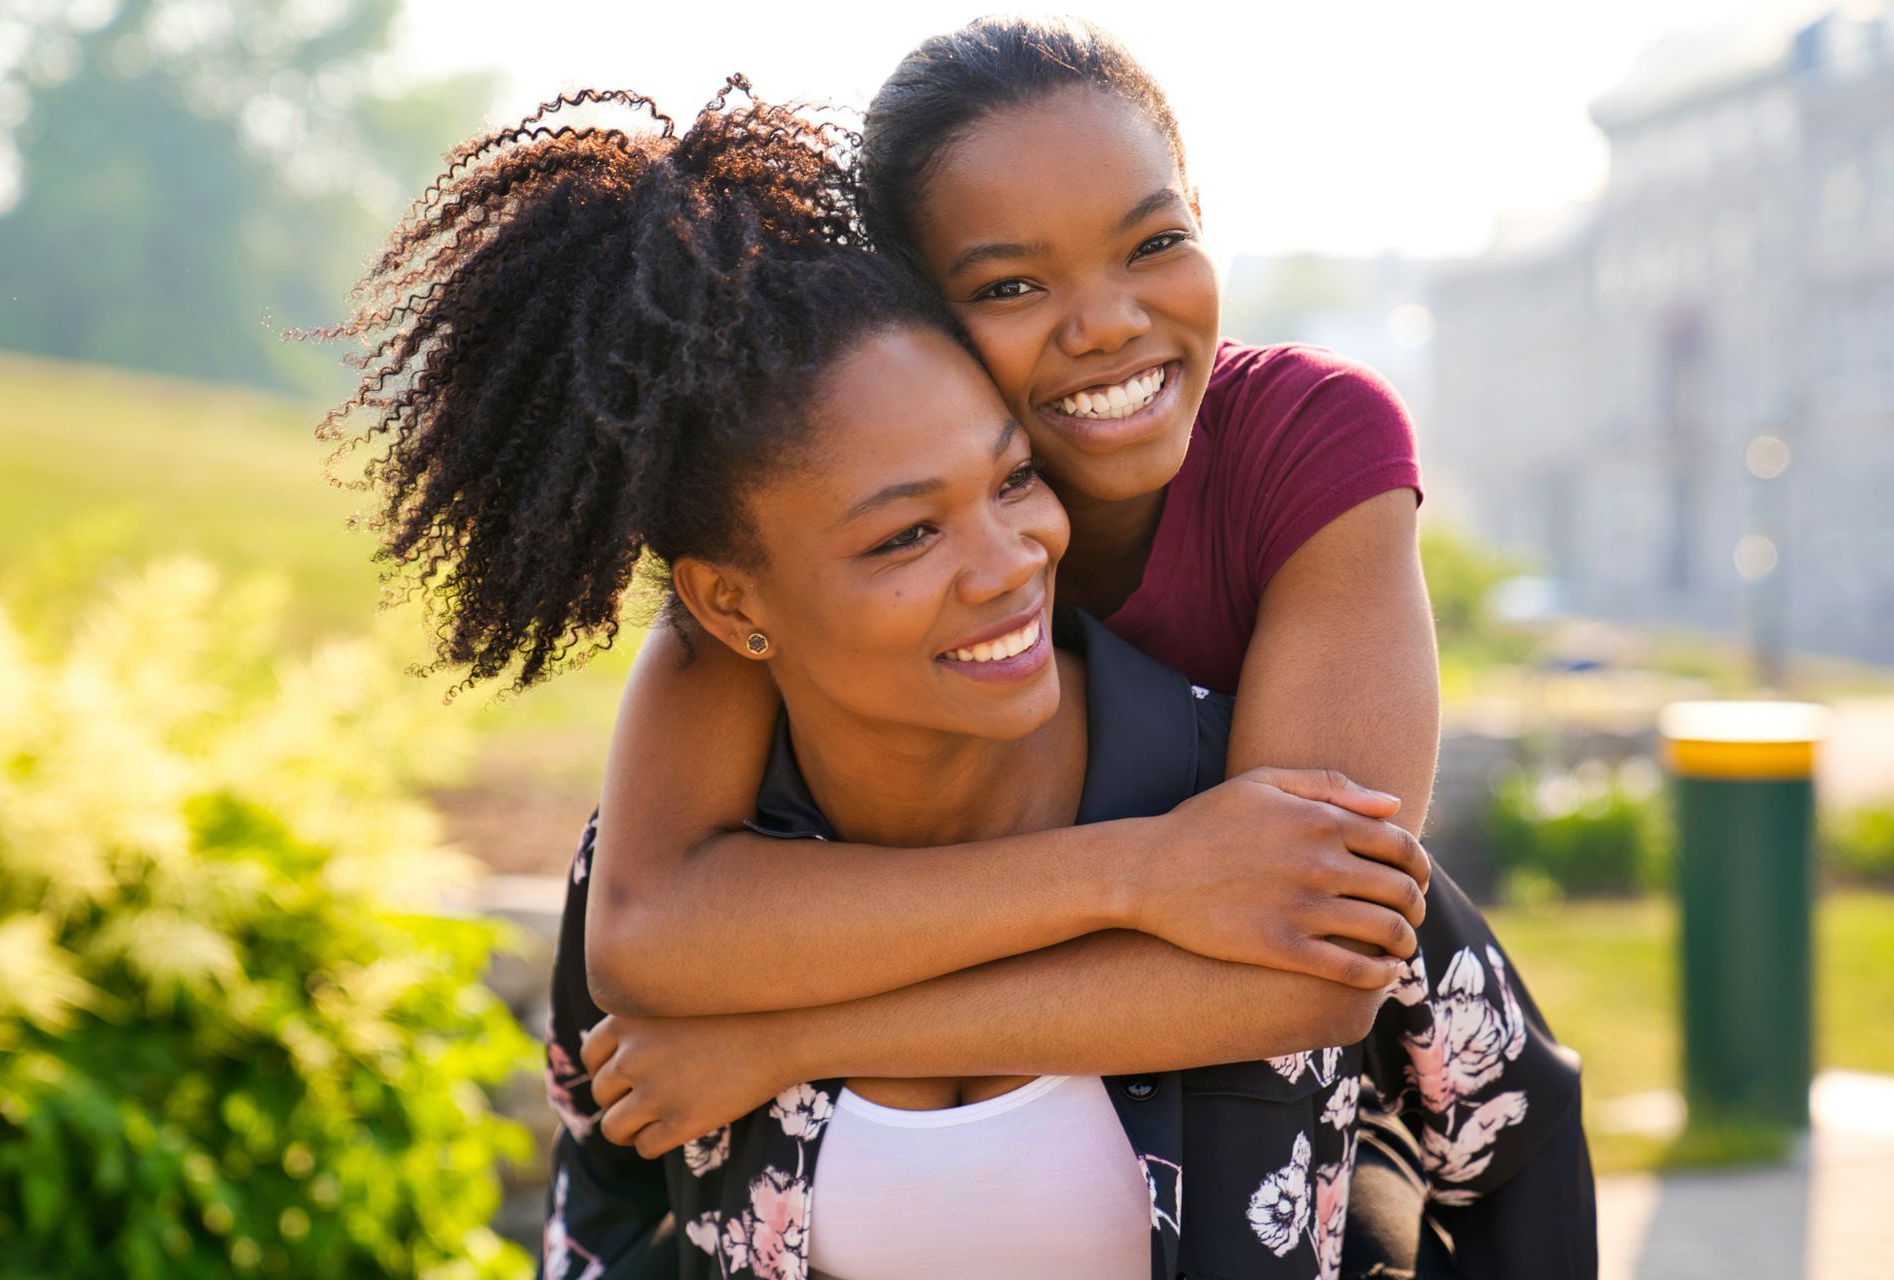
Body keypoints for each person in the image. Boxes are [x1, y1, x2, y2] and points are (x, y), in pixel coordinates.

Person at [317, 70, 1595, 1278]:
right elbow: (632, 1009)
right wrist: (1144, 874)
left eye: (1010, 481)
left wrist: (792, 1036)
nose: (1103, 323)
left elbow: (1342, 974)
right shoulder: (756, 613)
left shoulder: (1280, 565)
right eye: (906, 533)